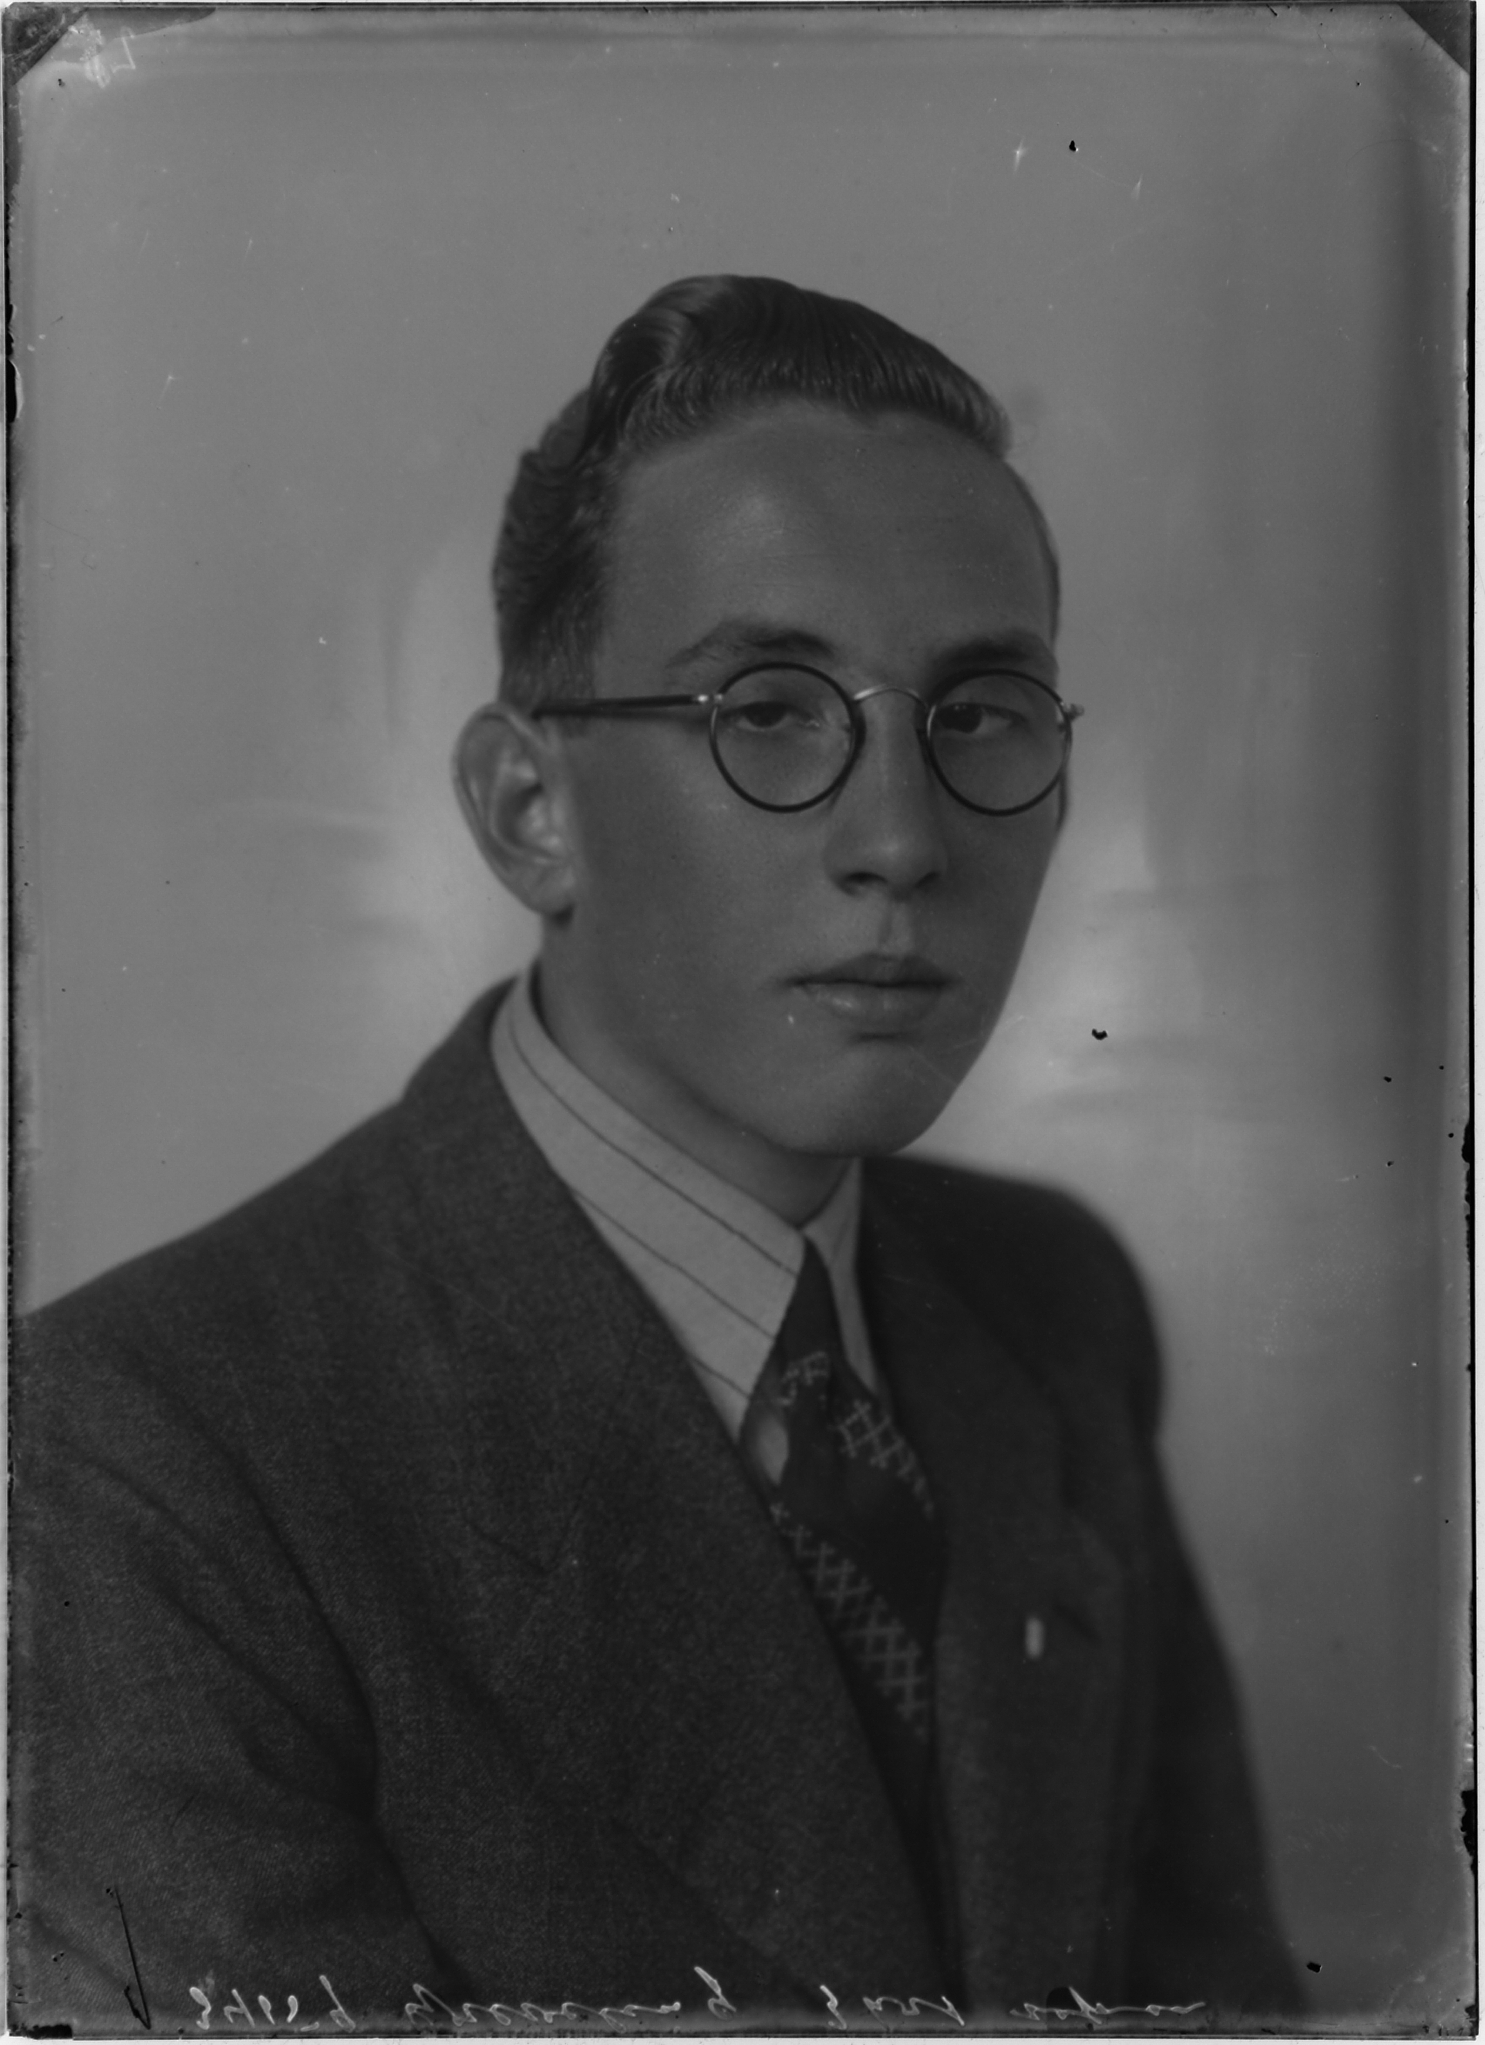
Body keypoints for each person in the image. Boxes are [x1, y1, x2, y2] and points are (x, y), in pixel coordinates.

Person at [12, 275, 1300, 2034]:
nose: (901, 837)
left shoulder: (1052, 1300)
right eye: (766, 707)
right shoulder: (126, 1467)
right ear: (527, 811)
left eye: (981, 710)